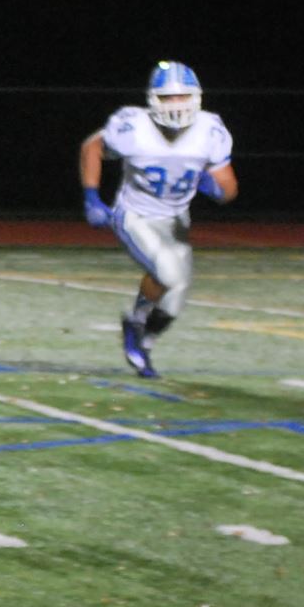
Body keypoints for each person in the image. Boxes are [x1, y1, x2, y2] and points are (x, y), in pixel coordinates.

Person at [81, 61, 238, 378]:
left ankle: (143, 340)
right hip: (135, 214)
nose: (176, 105)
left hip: (176, 217)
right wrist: (92, 196)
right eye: (168, 97)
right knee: (167, 270)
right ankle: (137, 323)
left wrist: (216, 190)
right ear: (154, 100)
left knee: (177, 294)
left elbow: (230, 187)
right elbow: (92, 148)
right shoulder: (133, 127)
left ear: (196, 98)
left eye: (183, 97)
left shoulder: (210, 130)